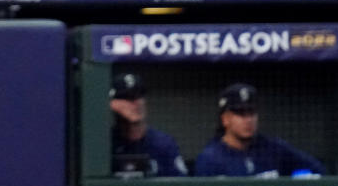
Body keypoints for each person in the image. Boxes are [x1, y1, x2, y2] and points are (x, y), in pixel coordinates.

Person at [194, 83, 324, 177]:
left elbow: (318, 170)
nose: (248, 119)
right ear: (225, 119)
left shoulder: (274, 148)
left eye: (251, 113)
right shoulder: (210, 159)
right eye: (241, 114)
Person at [109, 72, 187, 178]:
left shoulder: (163, 143)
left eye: (139, 96)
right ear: (114, 104)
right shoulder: (106, 144)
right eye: (129, 98)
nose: (137, 103)